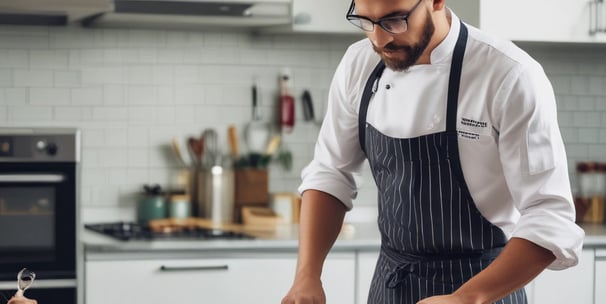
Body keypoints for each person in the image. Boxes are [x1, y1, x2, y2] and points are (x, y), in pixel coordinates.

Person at [281, 0, 585, 303]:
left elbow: (549, 217)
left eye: (395, 20)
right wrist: (307, 275)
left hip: (484, 290)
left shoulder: (508, 75)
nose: (379, 39)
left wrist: (466, 298)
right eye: (365, 21)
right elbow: (331, 173)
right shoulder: (359, 65)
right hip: (391, 287)